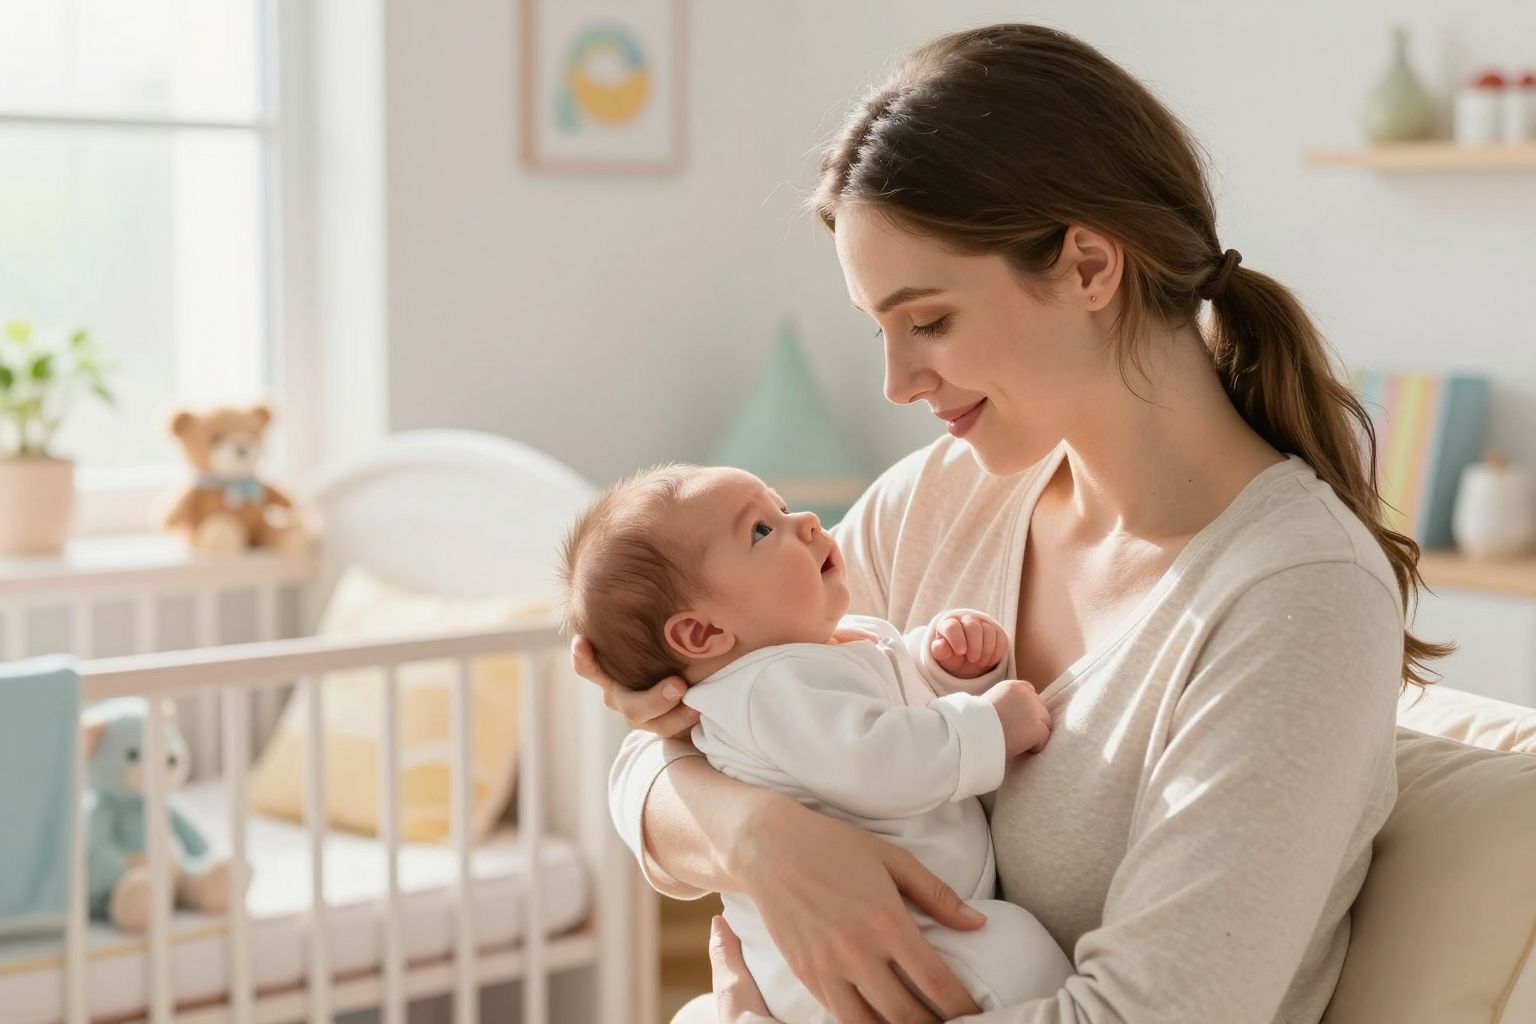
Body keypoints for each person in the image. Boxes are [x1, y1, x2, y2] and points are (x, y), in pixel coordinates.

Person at [575, 22, 1448, 1024]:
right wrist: (764, 841)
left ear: (1088, 266)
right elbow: (662, 751)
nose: (898, 384)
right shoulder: (937, 502)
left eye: (929, 321)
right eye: (882, 331)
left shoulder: (1298, 598)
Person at [557, 463, 1070, 1020]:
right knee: (1018, 954)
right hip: (875, 957)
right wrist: (988, 726)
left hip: (912, 928)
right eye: (760, 530)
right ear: (702, 633)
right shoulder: (766, 687)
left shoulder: (809, 647)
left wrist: (944, 666)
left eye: (779, 506)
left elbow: (893, 699)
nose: (802, 521)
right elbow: (877, 761)